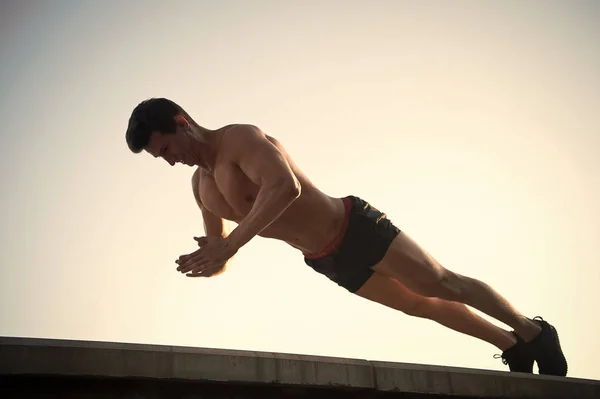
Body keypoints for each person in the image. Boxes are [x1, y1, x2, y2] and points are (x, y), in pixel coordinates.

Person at [125, 97, 568, 376]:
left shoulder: (238, 139)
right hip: (323, 257)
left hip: (352, 226)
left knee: (439, 283)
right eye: (158, 157)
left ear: (182, 122)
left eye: (165, 149)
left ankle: (532, 331)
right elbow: (223, 250)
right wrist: (209, 261)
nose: (168, 161)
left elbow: (284, 188)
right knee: (422, 306)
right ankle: (510, 345)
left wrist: (232, 243)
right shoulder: (200, 187)